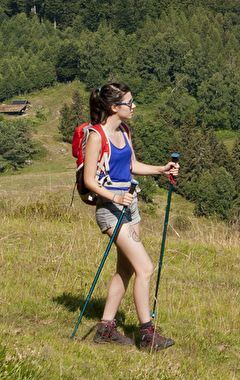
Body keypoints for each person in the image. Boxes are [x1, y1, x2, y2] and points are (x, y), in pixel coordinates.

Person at [80, 80, 179, 351]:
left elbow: (132, 165)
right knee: (145, 268)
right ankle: (147, 335)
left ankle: (105, 328)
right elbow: (89, 180)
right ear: (114, 107)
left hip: (130, 208)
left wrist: (162, 169)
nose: (134, 106)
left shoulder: (124, 130)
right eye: (129, 103)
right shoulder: (96, 136)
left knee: (125, 270)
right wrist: (115, 197)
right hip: (110, 211)